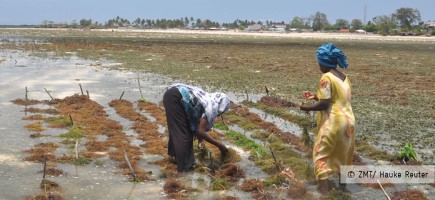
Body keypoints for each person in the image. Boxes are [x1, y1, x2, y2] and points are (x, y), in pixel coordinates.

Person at [298, 43, 355, 194]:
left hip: (333, 122)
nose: (318, 64)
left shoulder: (326, 77)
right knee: (344, 155)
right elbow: (337, 99)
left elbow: (324, 104)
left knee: (320, 155)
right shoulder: (344, 77)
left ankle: (324, 194)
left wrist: (306, 108)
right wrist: (316, 96)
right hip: (348, 121)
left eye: (318, 61)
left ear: (323, 62)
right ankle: (343, 190)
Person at [163, 83, 230, 172]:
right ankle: (184, 169)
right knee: (184, 135)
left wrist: (200, 140)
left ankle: (175, 158)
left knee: (177, 130)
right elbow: (200, 131)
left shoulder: (207, 99)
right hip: (176, 97)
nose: (220, 114)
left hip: (171, 95)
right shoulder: (211, 107)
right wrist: (219, 145)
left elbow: (195, 122)